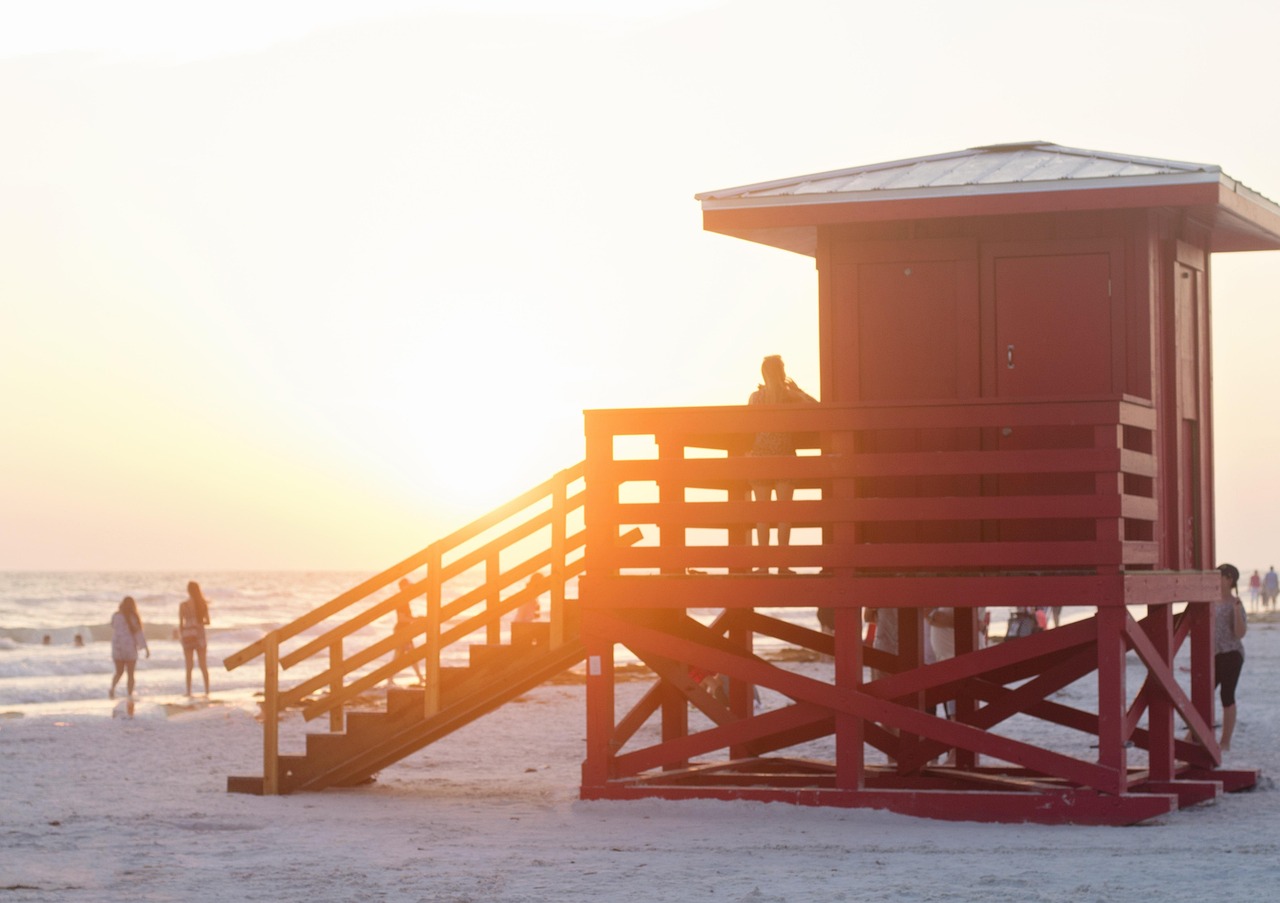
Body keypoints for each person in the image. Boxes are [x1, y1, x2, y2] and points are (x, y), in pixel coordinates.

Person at [746, 355, 817, 571]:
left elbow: (747, 425)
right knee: (784, 514)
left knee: (763, 514)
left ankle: (763, 565)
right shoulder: (790, 397)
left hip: (760, 456)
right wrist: (799, 391)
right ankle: (783, 564)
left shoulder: (756, 397)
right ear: (781, 372)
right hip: (784, 455)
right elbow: (818, 408)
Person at [1213, 563, 1248, 752]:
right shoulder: (1209, 601)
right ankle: (1194, 734)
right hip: (1214, 654)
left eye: (1219, 576)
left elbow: (1240, 633)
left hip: (1232, 654)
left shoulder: (1235, 603)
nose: (1216, 579)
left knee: (1226, 695)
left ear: (1229, 579)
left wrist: (1236, 612)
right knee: (1202, 694)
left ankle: (1225, 741)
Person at [109, 596, 149, 698]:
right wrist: (145, 648)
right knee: (131, 674)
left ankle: (112, 688)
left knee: (119, 672)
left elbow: (113, 626)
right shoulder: (133, 617)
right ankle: (129, 694)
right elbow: (138, 634)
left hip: (117, 647)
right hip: (129, 648)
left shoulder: (116, 616)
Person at [387, 578, 424, 686]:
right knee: (400, 654)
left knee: (410, 654)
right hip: (401, 630)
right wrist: (415, 620)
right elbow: (401, 619)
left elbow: (406, 617)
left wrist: (416, 618)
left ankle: (420, 678)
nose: (410, 589)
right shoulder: (402, 600)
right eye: (408, 586)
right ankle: (389, 678)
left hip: (406, 630)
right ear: (403, 587)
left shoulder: (405, 600)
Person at [178, 581, 211, 696]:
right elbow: (208, 622)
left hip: (187, 636)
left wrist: (181, 637)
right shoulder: (202, 604)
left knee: (189, 666)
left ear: (188, 591)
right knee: (203, 665)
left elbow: (181, 625)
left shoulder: (183, 605)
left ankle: (188, 691)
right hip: (200, 636)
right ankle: (207, 691)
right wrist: (198, 622)